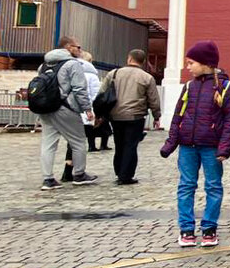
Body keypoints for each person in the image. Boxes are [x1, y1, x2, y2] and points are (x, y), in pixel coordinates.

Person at [161, 41, 230, 248]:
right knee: (186, 186)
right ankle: (186, 229)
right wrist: (170, 143)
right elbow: (178, 116)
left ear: (205, 63)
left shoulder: (226, 87)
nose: (188, 67)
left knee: (213, 186)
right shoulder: (189, 86)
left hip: (211, 147)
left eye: (191, 63)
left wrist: (224, 148)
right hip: (188, 146)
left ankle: (209, 228)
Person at [36, 36, 98, 189]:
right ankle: (79, 174)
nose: (80, 50)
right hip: (66, 108)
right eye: (78, 47)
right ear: (69, 47)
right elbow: (79, 89)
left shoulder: (43, 65)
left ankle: (48, 179)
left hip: (46, 108)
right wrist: (87, 108)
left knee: (48, 144)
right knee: (78, 141)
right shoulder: (72, 64)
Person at [106, 49, 161, 185]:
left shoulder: (113, 74)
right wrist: (156, 116)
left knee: (119, 144)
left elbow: (102, 94)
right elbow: (153, 99)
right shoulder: (147, 78)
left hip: (116, 115)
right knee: (131, 145)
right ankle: (126, 175)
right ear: (143, 62)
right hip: (136, 115)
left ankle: (119, 171)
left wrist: (101, 114)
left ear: (129, 59)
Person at [60, 48, 103, 181]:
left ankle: (67, 171)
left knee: (71, 143)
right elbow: (96, 96)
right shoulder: (92, 76)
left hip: (68, 109)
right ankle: (79, 173)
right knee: (79, 143)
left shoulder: (67, 72)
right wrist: (95, 112)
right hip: (85, 112)